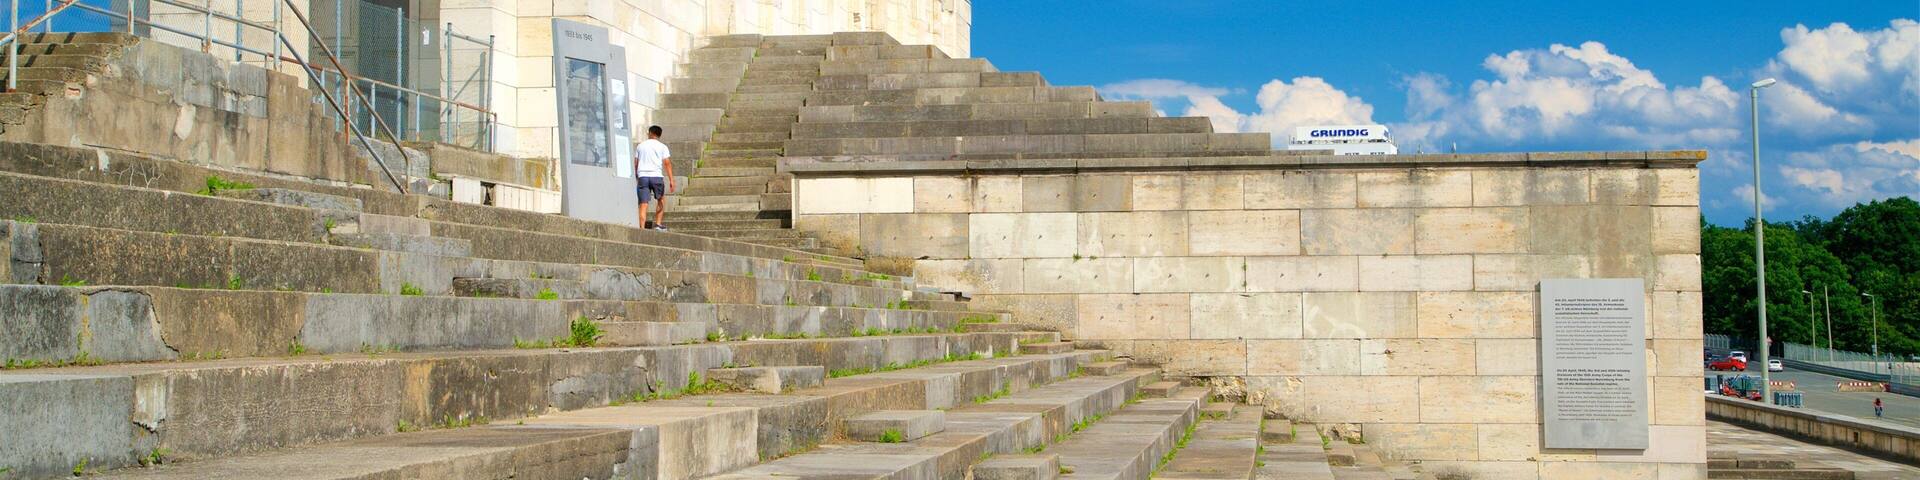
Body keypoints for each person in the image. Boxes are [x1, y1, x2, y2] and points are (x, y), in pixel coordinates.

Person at [634, 125, 675, 230]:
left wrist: (637, 176)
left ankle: (642, 228)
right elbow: (667, 163)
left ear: (651, 133)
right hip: (656, 177)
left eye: (648, 132)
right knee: (660, 200)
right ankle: (658, 224)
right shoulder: (662, 147)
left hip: (643, 176)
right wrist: (671, 180)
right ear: (659, 135)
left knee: (643, 203)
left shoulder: (640, 146)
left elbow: (636, 163)